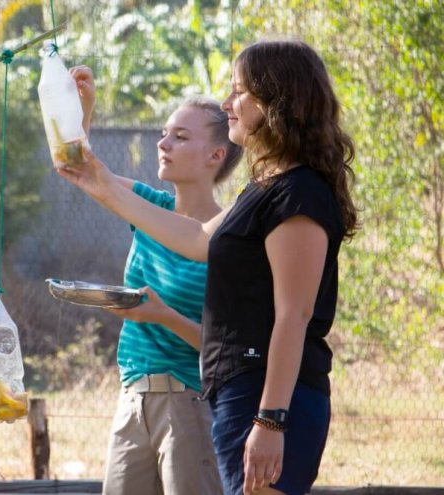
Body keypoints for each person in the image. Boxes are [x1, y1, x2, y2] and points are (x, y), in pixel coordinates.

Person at [60, 39, 358, 495]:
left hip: (271, 402)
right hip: (239, 396)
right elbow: (195, 238)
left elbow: (293, 316)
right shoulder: (264, 188)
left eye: (240, 92)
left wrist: (271, 421)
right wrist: (98, 178)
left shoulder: (298, 194)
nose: (228, 104)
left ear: (276, 102)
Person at [70, 65, 243, 495]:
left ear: (216, 155)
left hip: (190, 403)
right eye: (164, 133)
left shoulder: (231, 237)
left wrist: (162, 316)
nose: (163, 144)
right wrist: (82, 108)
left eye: (181, 137)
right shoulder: (147, 207)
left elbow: (230, 349)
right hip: (132, 398)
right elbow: (83, 172)